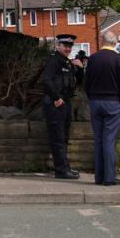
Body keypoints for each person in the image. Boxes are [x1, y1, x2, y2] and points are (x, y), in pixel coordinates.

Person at [84, 31, 120, 186]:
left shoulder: (93, 59)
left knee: (98, 140)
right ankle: (109, 177)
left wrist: (92, 98)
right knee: (109, 141)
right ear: (114, 42)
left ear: (102, 41)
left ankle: (99, 177)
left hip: (95, 102)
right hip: (113, 103)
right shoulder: (119, 60)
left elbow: (86, 83)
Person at [42, 33, 84, 179]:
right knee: (58, 138)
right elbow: (46, 80)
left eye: (70, 46)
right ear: (58, 45)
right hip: (55, 104)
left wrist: (80, 68)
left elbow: (77, 82)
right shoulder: (54, 61)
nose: (67, 48)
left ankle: (65, 168)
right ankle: (61, 170)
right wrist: (56, 98)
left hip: (65, 104)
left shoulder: (67, 62)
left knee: (64, 137)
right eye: (65, 45)